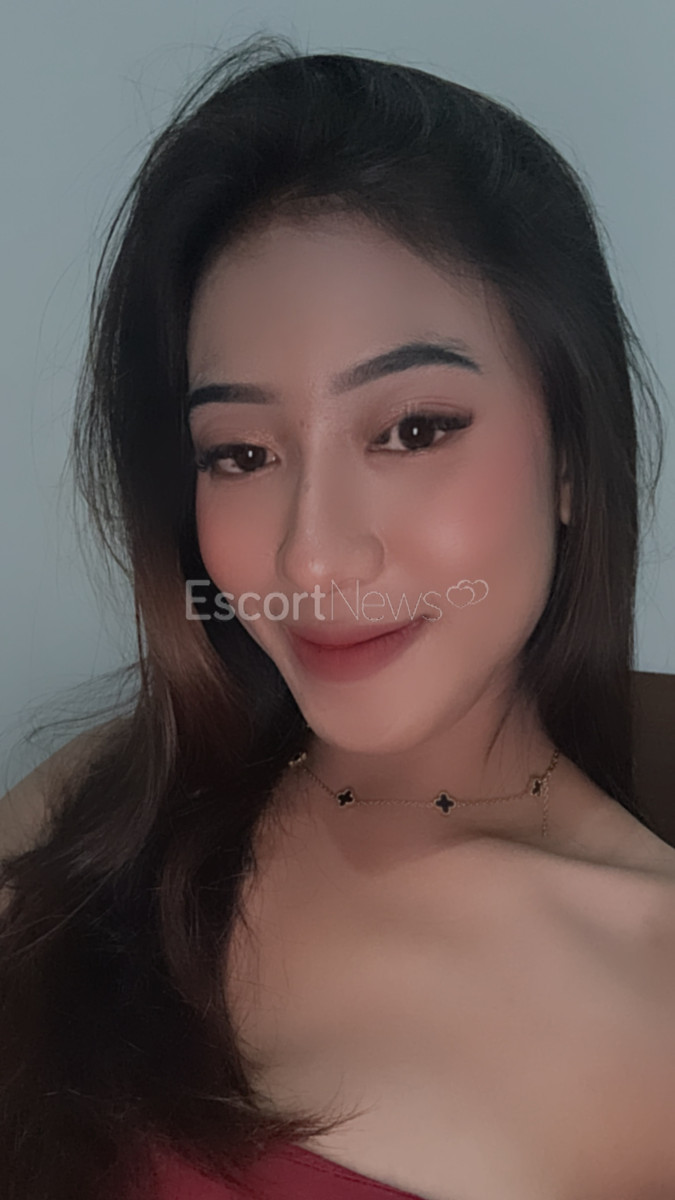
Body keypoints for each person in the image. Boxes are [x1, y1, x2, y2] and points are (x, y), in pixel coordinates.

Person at [2, 33, 675, 1200]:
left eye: (412, 430)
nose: (311, 553)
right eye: (241, 452)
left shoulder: (650, 996)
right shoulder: (116, 797)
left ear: (571, 456)